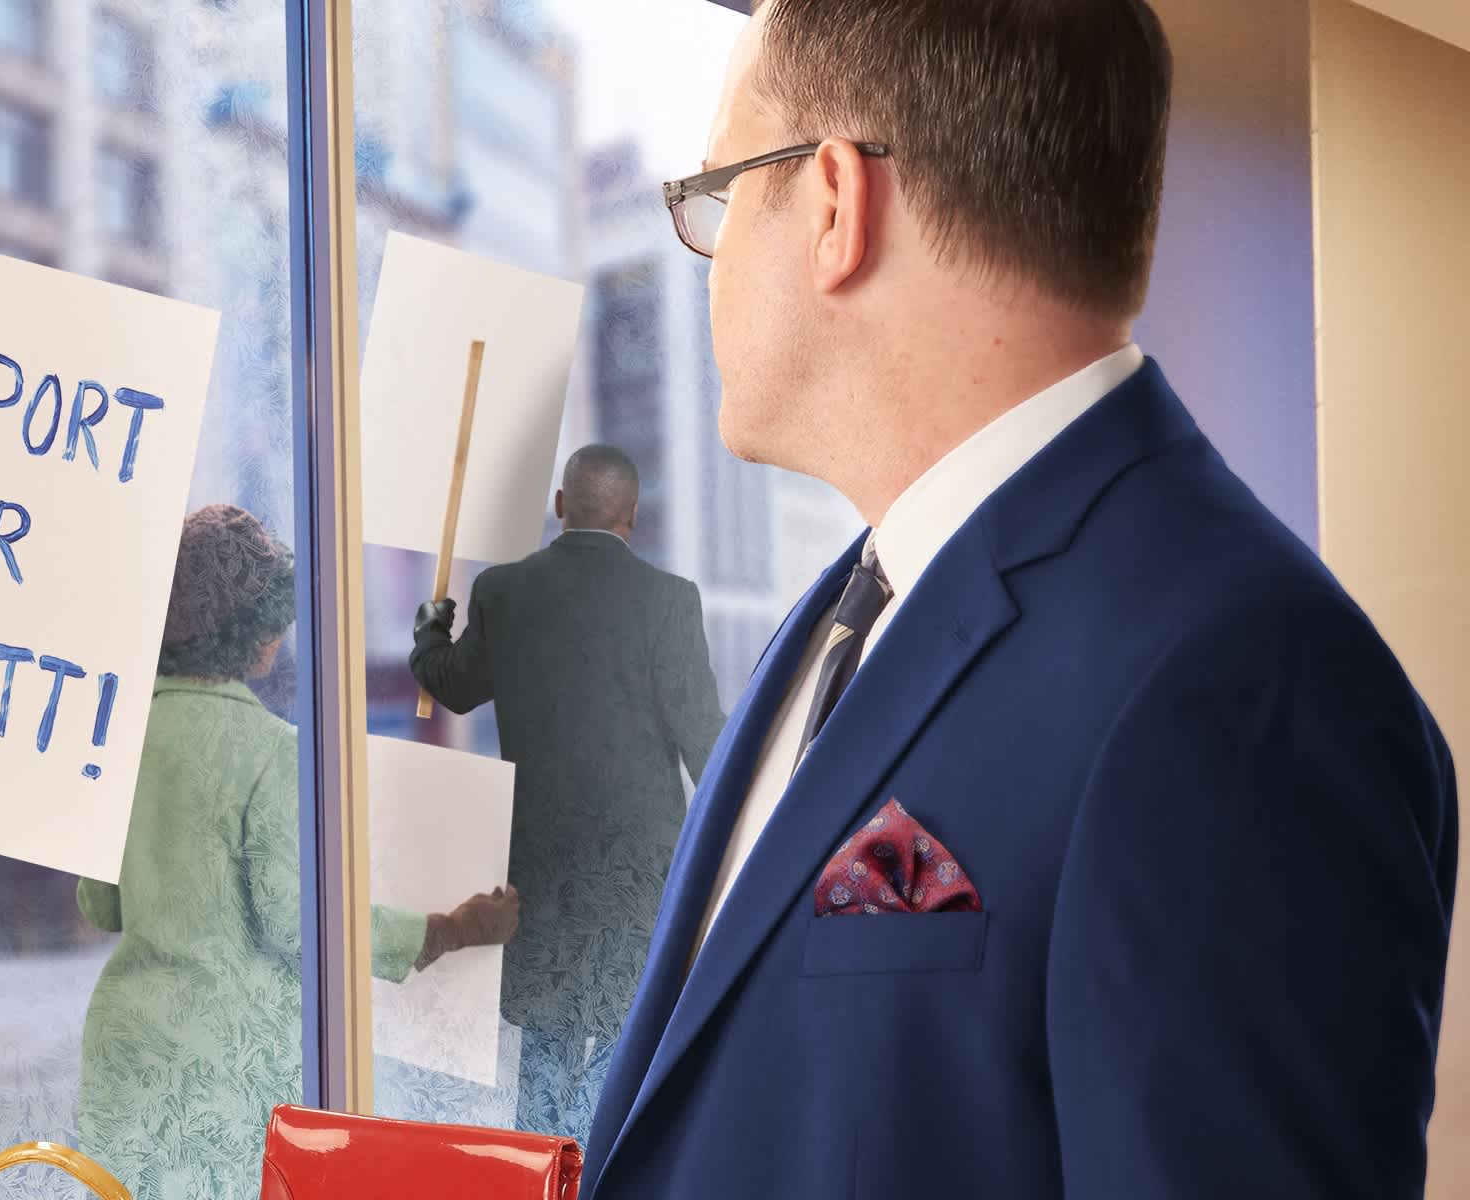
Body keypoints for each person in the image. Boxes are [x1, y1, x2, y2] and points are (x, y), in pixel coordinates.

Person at [583, 2, 1456, 1198]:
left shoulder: (1244, 681)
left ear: (837, 202)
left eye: (724, 197)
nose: (715, 256)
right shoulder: (849, 610)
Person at [75, 504, 520, 1197]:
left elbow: (99, 902)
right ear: (258, 634)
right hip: (225, 1063)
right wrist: (448, 931)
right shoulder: (270, 753)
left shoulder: (118, 741)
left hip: (125, 1048)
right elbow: (297, 922)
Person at [408, 443, 723, 1138]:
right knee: (628, 1032)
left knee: (546, 1046)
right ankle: (603, 1162)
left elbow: (453, 685)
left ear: (559, 507)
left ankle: (549, 1172)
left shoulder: (504, 591)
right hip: (642, 867)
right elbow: (704, 739)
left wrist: (432, 625)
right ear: (631, 518)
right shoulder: (670, 601)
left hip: (543, 863)